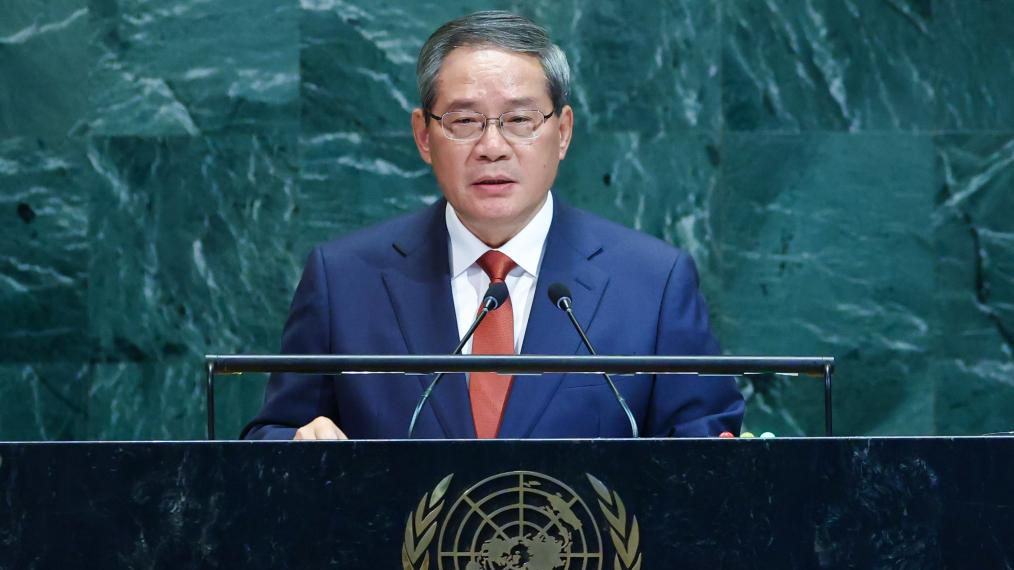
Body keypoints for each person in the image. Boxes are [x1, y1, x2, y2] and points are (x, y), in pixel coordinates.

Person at [241, 11, 744, 440]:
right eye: (464, 122)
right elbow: (273, 435)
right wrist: (297, 448)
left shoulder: (653, 282)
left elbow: (705, 447)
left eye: (520, 120)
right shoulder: (344, 279)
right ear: (423, 135)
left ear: (562, 132)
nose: (493, 147)